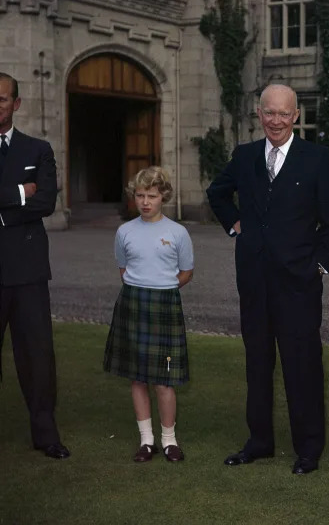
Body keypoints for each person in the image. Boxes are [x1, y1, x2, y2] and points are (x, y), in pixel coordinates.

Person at [207, 84, 329, 475]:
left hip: (299, 282)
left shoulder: (317, 159)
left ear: (296, 115)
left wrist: (318, 266)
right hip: (254, 280)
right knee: (257, 363)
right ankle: (259, 442)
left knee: (302, 366)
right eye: (270, 113)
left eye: (284, 114)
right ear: (259, 114)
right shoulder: (245, 156)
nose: (277, 121)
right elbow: (218, 193)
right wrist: (235, 226)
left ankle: (308, 449)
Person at [0, 72, 70, 459]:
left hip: (27, 271)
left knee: (38, 357)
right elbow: (29, 199)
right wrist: (17, 194)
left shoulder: (38, 149)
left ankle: (46, 435)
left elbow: (46, 202)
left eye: (2, 99)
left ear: (16, 104)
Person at [103, 166, 194, 463]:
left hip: (164, 305)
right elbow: (123, 268)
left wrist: (163, 287)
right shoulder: (124, 231)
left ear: (163, 196)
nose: (145, 202)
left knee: (164, 379)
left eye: (151, 196)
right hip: (133, 303)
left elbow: (186, 272)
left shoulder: (178, 232)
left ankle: (169, 441)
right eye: (140, 195)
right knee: (137, 377)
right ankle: (147, 441)